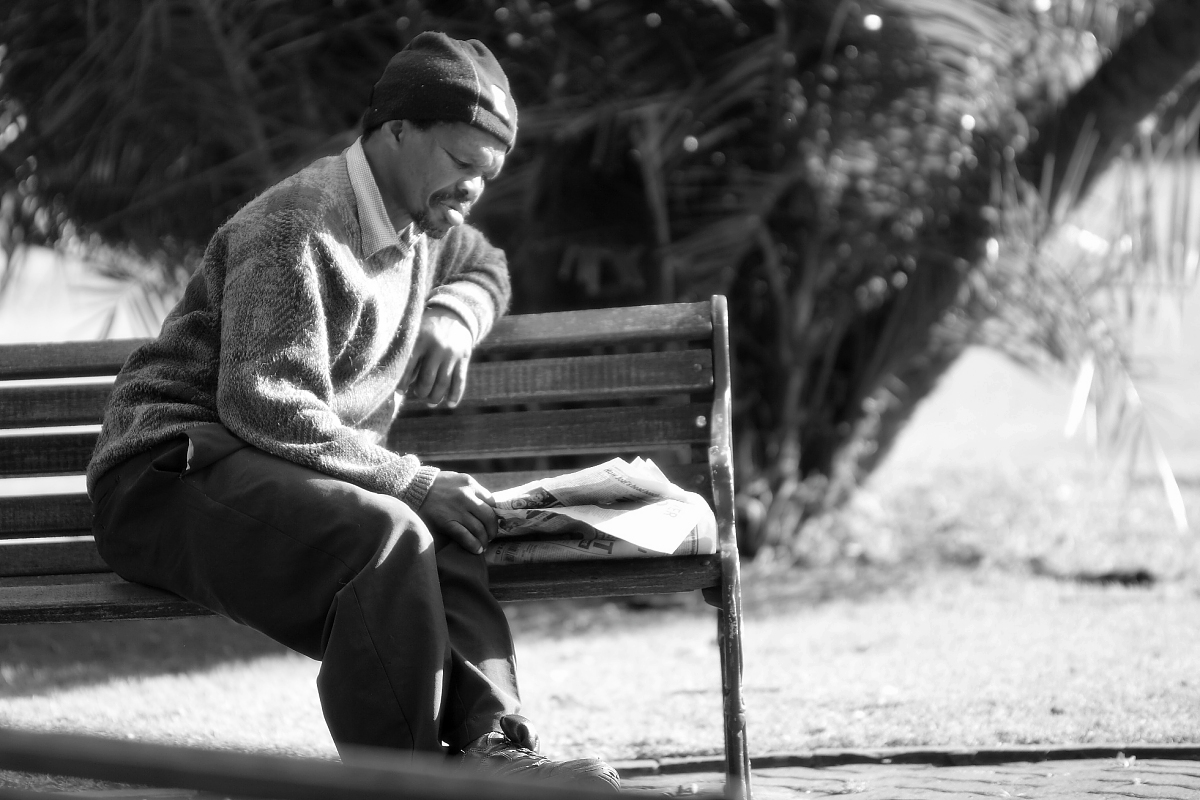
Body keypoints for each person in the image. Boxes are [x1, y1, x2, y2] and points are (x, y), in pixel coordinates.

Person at [85, 32, 619, 792]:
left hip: (263, 469)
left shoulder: (423, 222)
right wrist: (412, 480)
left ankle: (495, 754)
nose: (473, 188)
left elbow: (486, 263)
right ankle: (407, 785)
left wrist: (456, 314)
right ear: (396, 131)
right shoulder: (297, 225)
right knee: (388, 533)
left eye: (487, 174)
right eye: (462, 163)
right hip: (166, 472)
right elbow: (264, 400)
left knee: (447, 529)